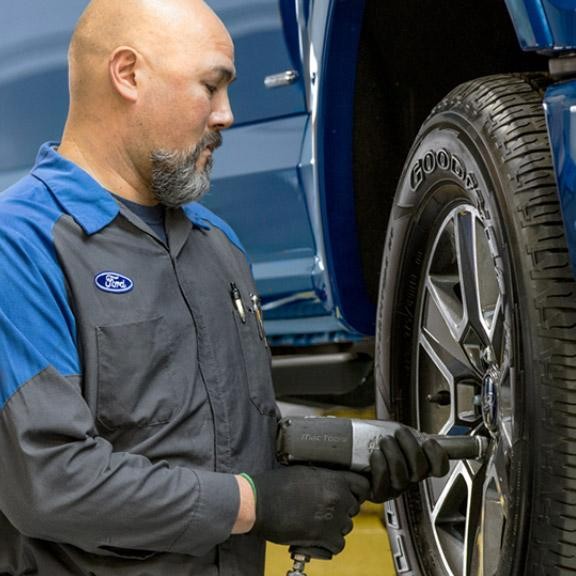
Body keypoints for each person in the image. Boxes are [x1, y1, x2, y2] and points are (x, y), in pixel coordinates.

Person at [0, 1, 449, 574]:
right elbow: (50, 482)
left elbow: (216, 434)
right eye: (211, 87)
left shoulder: (218, 246)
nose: (228, 115)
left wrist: (347, 457)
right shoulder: (21, 245)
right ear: (128, 74)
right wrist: (257, 505)